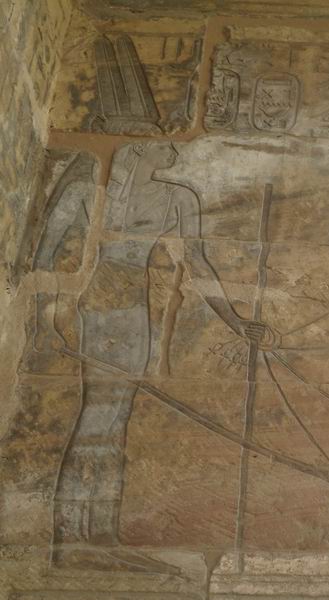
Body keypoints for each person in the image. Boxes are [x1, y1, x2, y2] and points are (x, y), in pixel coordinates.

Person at [51, 142, 274, 573]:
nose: (172, 146)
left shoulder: (178, 198)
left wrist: (234, 320)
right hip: (98, 306)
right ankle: (67, 539)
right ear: (137, 148)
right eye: (162, 139)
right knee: (97, 421)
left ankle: (100, 536)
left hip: (134, 310)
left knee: (115, 422)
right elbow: (46, 260)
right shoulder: (85, 191)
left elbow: (198, 263)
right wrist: (46, 321)